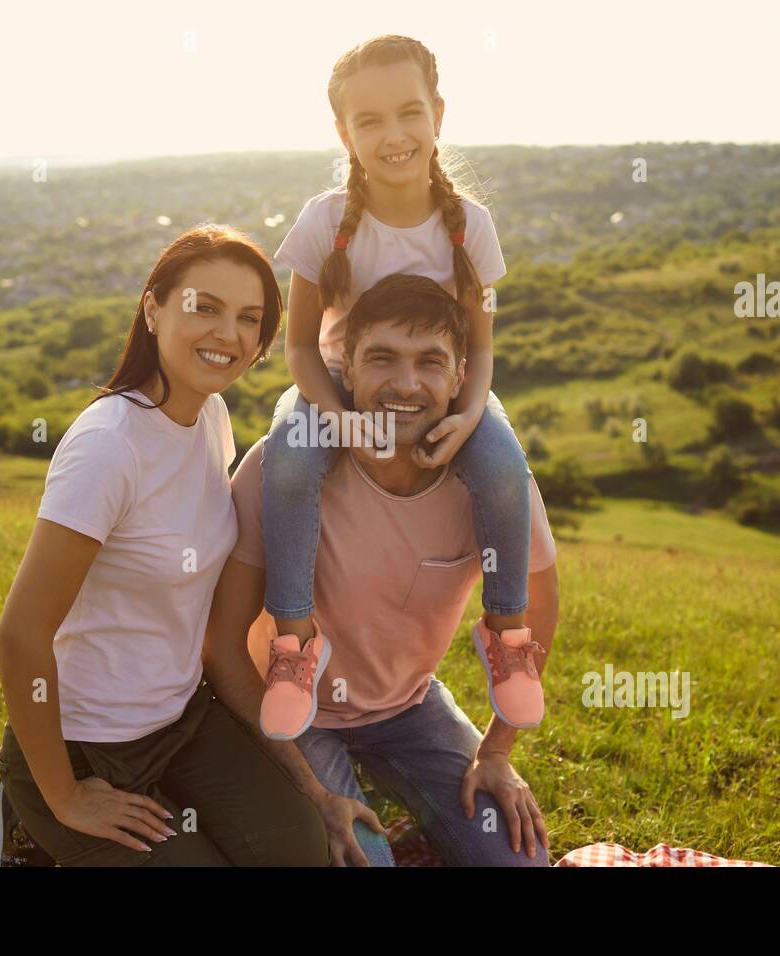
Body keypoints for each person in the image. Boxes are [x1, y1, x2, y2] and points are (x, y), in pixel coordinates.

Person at [0, 226, 328, 866]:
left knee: (301, 853)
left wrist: (312, 783)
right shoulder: (108, 446)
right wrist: (66, 795)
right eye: (205, 307)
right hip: (83, 748)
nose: (227, 334)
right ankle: (31, 816)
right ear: (153, 308)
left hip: (182, 723)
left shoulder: (210, 416)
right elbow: (19, 638)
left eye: (248, 319)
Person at [205, 273, 559, 866]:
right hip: (295, 716)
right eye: (382, 358)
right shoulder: (279, 469)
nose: (405, 383)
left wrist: (496, 750)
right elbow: (221, 645)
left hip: (411, 706)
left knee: (517, 862)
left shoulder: (497, 488)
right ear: (345, 367)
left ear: (461, 375)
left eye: (430, 361)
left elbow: (539, 610)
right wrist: (309, 788)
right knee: (362, 860)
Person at [259, 34, 539, 741]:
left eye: (409, 113)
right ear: (343, 134)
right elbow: (298, 344)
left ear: (438, 116)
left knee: (505, 472)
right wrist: (337, 418)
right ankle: (294, 646)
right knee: (288, 464)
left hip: (442, 393)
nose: (393, 135)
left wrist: (471, 415)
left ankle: (507, 637)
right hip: (335, 387)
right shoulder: (326, 221)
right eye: (370, 120)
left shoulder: (467, 227)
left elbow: (479, 348)